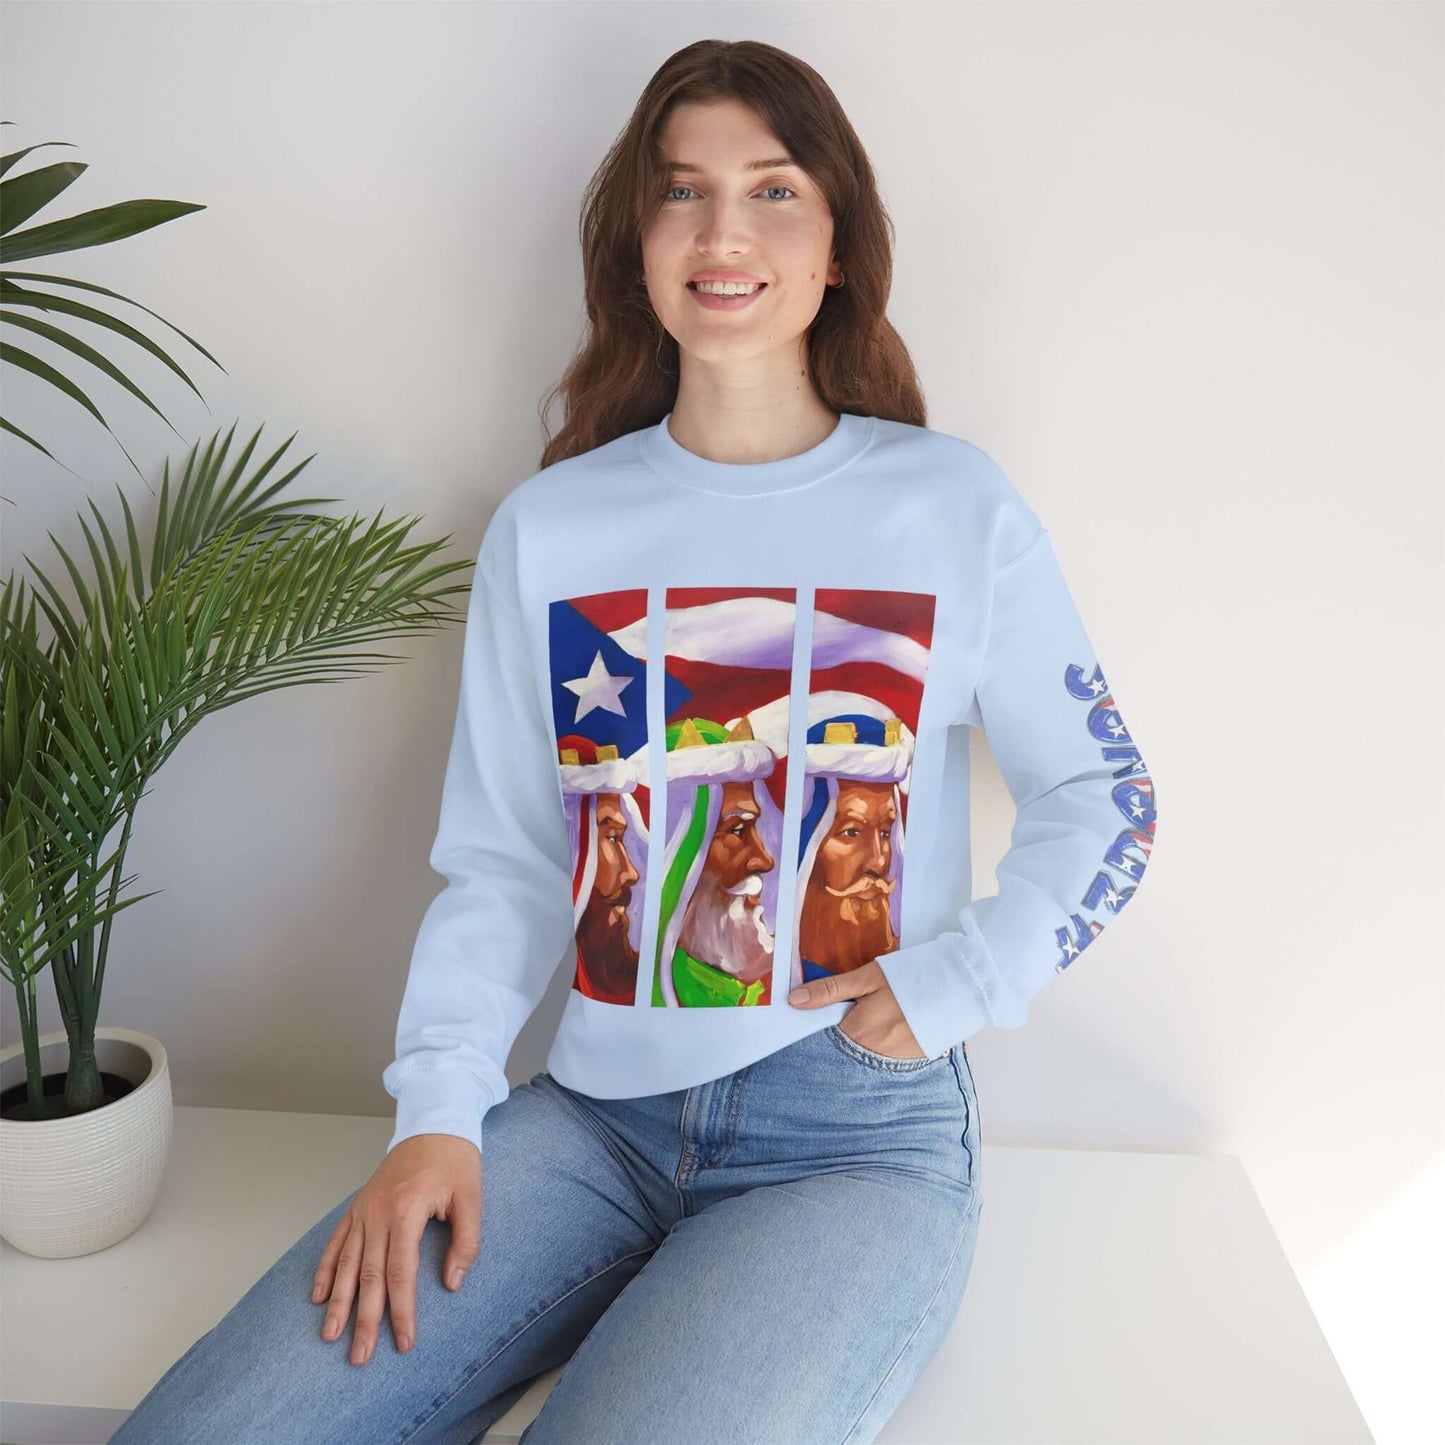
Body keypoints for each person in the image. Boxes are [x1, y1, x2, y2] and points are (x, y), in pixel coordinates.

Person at [110, 37, 1157, 1445]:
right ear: (637, 241)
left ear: (837, 242)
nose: (723, 232)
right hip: (591, 1120)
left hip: (849, 1139)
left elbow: (1105, 794)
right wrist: (438, 1110)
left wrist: (961, 981)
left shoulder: (948, 507)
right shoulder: (556, 529)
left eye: (772, 190)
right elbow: (505, 862)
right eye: (681, 193)